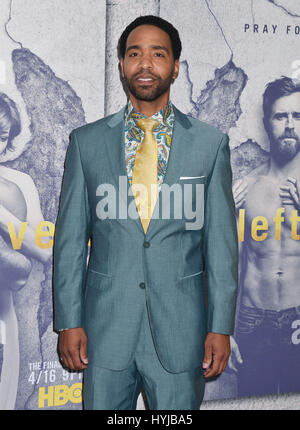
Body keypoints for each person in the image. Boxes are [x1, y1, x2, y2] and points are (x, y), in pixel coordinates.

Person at [53, 15, 238, 410]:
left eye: (158, 54)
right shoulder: (86, 143)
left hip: (181, 331)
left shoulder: (210, 145)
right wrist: (68, 321)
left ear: (174, 66)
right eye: (134, 54)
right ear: (121, 65)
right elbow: (69, 242)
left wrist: (220, 327)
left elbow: (222, 248)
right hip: (105, 330)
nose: (145, 64)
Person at [230, 76, 300, 396]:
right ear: (266, 122)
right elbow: (233, 265)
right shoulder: (247, 187)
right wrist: (224, 331)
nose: (289, 125)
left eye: (297, 116)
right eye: (280, 116)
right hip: (251, 323)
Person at [0, 92, 52, 409]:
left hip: (3, 319)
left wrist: (3, 217)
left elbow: (44, 251)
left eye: (0, 137)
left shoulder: (18, 184)